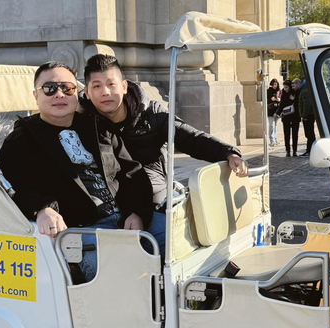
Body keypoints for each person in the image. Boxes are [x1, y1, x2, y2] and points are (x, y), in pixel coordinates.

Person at [0, 61, 162, 281]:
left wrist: (137, 212)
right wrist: (42, 209)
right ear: (36, 95)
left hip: (125, 218)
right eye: (49, 89)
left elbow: (131, 172)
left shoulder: (96, 126)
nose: (59, 94)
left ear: (77, 93)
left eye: (67, 88)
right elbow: (8, 189)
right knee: (119, 278)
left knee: (176, 243)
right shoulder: (21, 140)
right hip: (82, 230)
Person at [80, 54, 247, 211]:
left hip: (157, 199)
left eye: (111, 84)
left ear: (124, 87)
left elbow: (191, 138)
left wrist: (228, 153)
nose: (105, 92)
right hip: (110, 205)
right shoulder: (83, 122)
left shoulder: (152, 114)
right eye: (96, 86)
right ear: (87, 92)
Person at [275, 80, 300, 157]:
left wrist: (293, 99)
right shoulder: (283, 94)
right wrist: (277, 113)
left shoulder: (295, 93)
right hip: (286, 117)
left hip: (295, 116)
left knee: (295, 134)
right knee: (287, 134)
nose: (285, 89)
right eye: (284, 87)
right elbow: (281, 105)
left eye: (286, 87)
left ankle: (295, 150)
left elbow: (299, 103)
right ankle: (288, 150)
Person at [298, 79, 316, 157]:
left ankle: (310, 150)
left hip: (308, 116)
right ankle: (311, 150)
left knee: (309, 134)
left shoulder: (305, 91)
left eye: (294, 85)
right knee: (310, 134)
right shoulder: (306, 89)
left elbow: (307, 105)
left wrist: (304, 116)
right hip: (310, 115)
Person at [267, 78, 281, 146]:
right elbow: (266, 100)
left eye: (275, 84)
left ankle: (275, 139)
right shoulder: (269, 91)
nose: (274, 86)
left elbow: (282, 99)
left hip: (277, 110)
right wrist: (271, 99)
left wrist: (279, 99)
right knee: (271, 125)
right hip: (270, 110)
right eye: (273, 84)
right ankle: (272, 140)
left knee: (275, 125)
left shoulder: (279, 91)